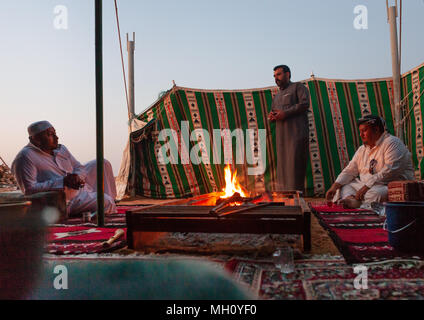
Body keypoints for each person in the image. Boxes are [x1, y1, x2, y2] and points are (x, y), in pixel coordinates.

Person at [11, 121, 117, 216]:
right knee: (106, 201)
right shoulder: (25, 156)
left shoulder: (61, 149)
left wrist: (77, 177)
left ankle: (104, 202)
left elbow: (79, 167)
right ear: (36, 139)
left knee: (102, 163)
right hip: (64, 199)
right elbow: (29, 189)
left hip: (78, 187)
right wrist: (62, 182)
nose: (56, 137)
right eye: (50, 135)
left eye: (55, 133)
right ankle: (103, 205)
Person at [326, 115, 414, 208]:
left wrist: (366, 187)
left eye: (364, 131)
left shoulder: (392, 143)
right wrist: (335, 186)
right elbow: (350, 170)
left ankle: (358, 205)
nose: (361, 135)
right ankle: (352, 200)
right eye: (360, 131)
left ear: (376, 129)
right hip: (366, 187)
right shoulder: (362, 149)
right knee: (344, 186)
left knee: (377, 194)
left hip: (388, 185)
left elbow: (390, 171)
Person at [268, 65, 310, 192]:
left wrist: (285, 113)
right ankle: (285, 198)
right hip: (282, 138)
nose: (276, 78)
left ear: (288, 74)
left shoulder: (298, 87)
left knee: (294, 166)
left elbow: (304, 104)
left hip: (296, 136)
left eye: (279, 74)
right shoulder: (276, 96)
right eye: (275, 76)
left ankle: (297, 200)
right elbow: (274, 111)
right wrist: (272, 116)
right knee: (283, 168)